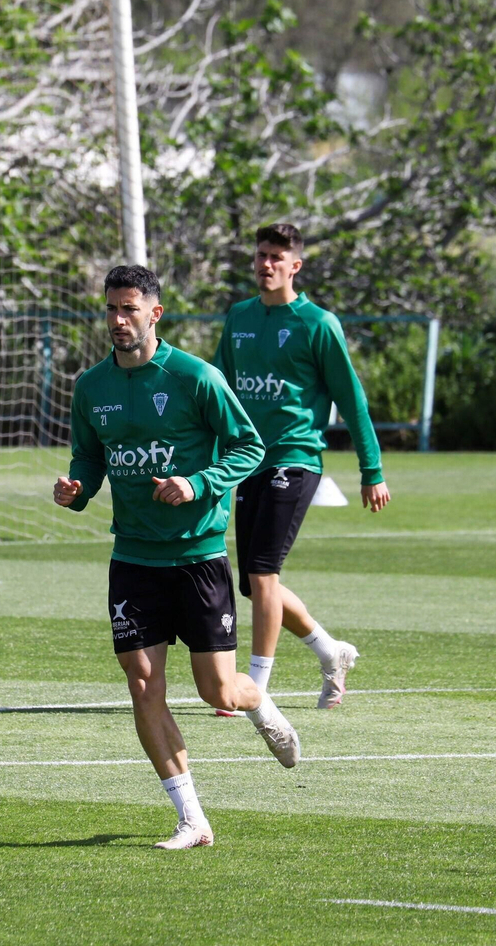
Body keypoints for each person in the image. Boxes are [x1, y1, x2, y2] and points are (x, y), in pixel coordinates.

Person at [55, 264, 300, 851]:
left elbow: (249, 446)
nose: (117, 320)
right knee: (143, 685)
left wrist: (197, 482)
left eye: (129, 308)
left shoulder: (197, 377)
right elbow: (89, 457)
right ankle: (192, 817)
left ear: (154, 313)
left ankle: (259, 702)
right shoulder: (91, 387)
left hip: (198, 557)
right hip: (133, 559)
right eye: (111, 309)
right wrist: (77, 489)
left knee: (219, 692)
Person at [212, 223, 390, 712]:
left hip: (295, 458)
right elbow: (218, 389)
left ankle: (254, 687)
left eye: (276, 257)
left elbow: (352, 402)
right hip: (247, 461)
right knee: (252, 584)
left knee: (264, 574)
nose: (266, 264)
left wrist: (370, 470)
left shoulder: (318, 324)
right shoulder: (240, 317)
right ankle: (330, 652)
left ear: (296, 265)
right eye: (260, 255)